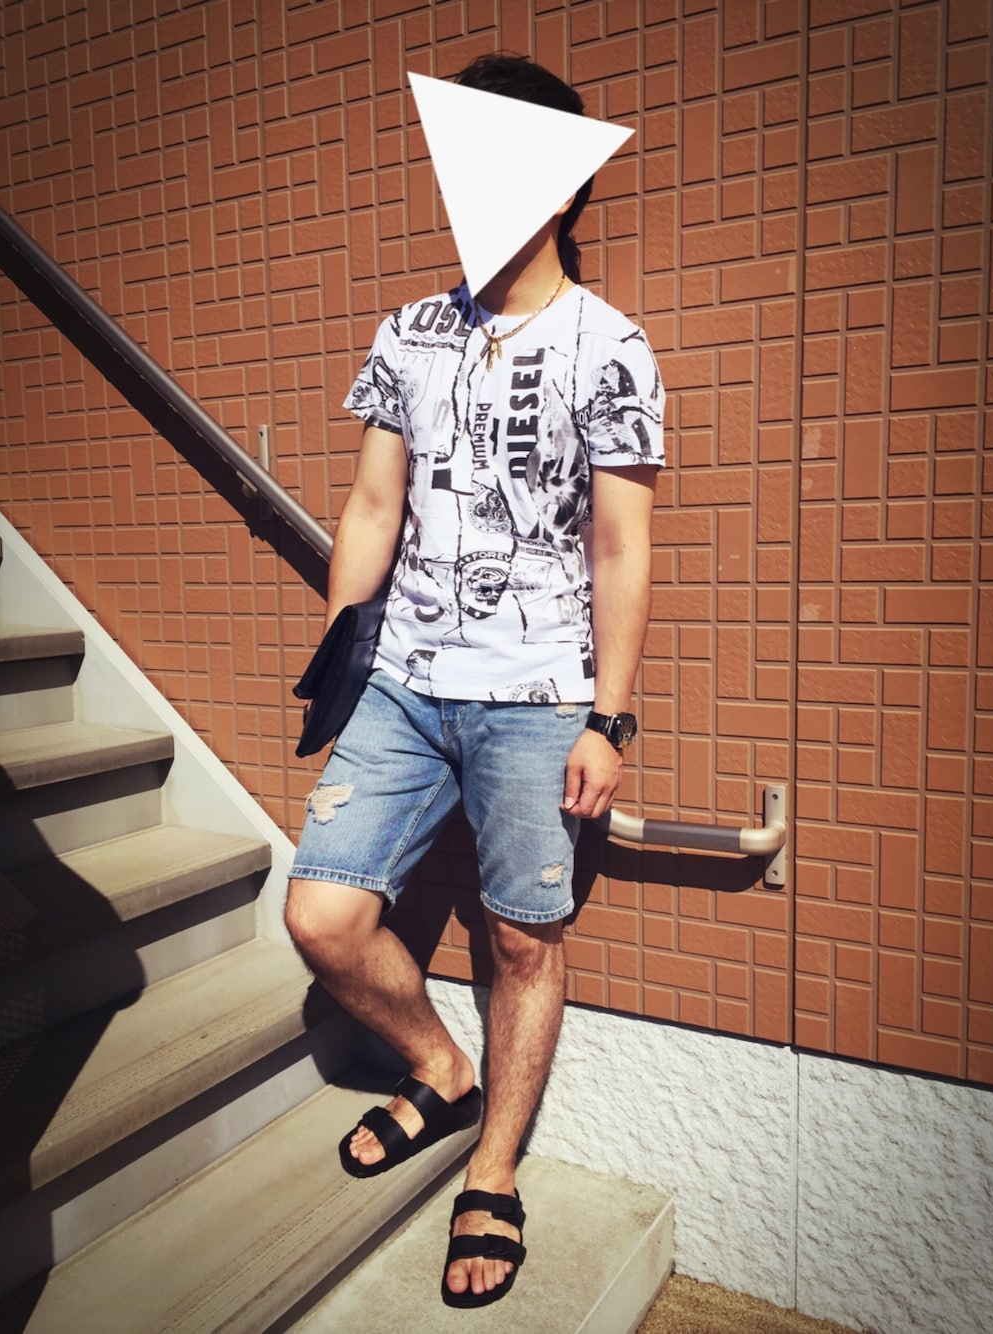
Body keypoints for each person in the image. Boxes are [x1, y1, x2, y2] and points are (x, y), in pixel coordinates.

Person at [284, 53, 664, 1309]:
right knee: (322, 915)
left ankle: (492, 1168)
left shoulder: (610, 346)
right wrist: (343, 650)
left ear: (558, 187)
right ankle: (440, 1068)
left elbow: (619, 547)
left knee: (521, 937)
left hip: (539, 694)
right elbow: (370, 502)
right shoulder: (410, 330)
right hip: (401, 681)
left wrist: (609, 717)